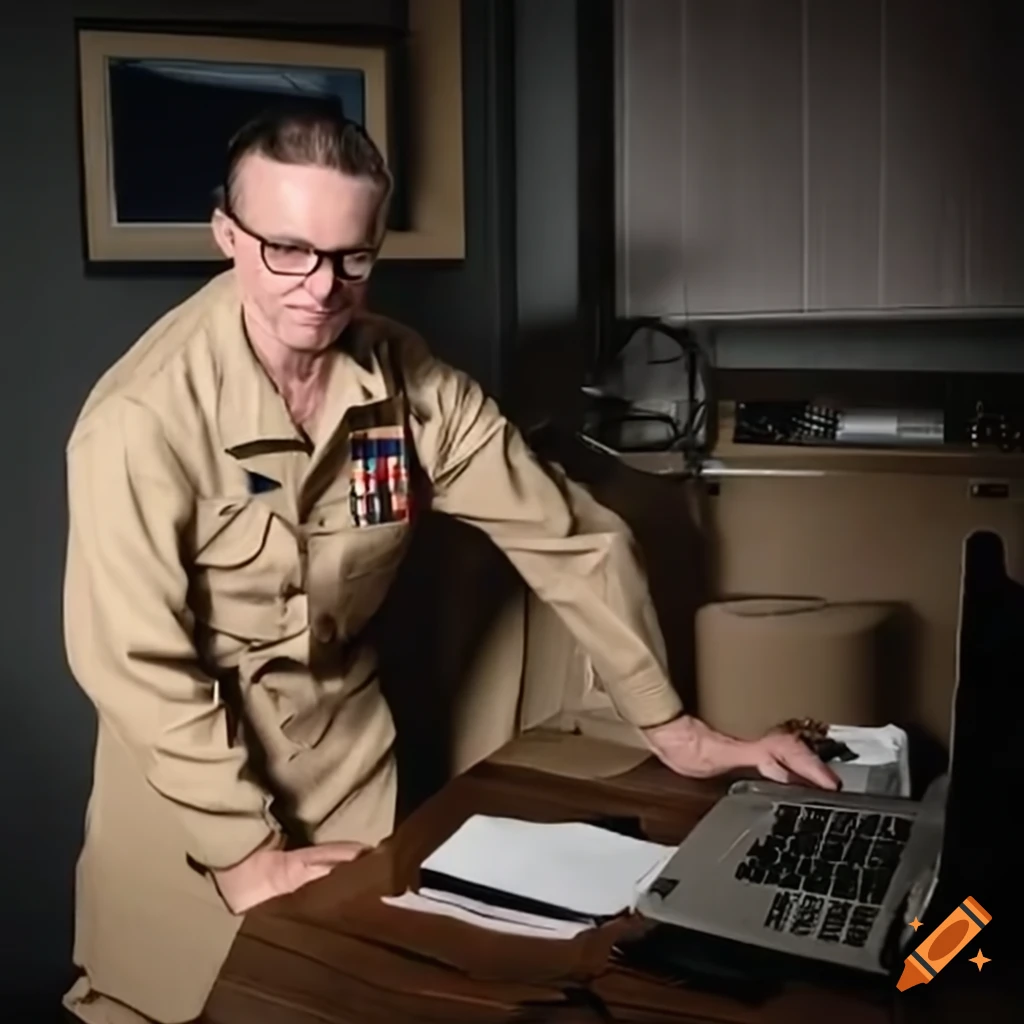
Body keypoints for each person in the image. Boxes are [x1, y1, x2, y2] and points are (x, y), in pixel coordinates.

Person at [62, 102, 837, 1024]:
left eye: (352, 257)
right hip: (191, 818)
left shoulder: (408, 381)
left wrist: (672, 727)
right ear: (227, 236)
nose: (321, 286)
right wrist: (240, 854)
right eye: (287, 250)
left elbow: (571, 537)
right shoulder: (140, 419)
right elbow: (134, 661)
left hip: (352, 783)